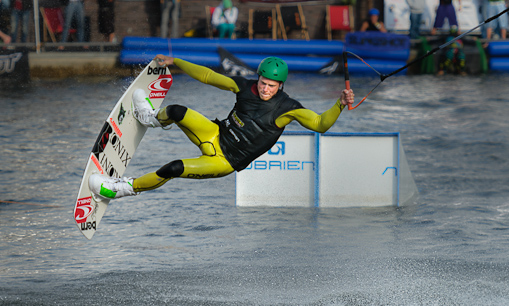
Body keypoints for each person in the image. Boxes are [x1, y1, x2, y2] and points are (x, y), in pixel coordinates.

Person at [88, 55, 355, 200]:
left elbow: (320, 124)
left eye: (271, 86)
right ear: (258, 77)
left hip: (224, 161)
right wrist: (177, 62)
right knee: (178, 111)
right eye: (263, 82)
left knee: (173, 168)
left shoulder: (288, 109)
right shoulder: (245, 87)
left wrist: (339, 104)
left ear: (280, 86)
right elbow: (209, 76)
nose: (265, 88)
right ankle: (151, 118)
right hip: (214, 134)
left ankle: (121, 189)